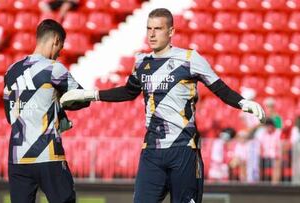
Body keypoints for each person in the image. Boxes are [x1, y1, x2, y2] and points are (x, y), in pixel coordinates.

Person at [60, 8, 265, 203]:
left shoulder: (189, 59)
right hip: (152, 151)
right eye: (149, 28)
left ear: (171, 31)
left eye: (157, 28)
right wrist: (90, 94)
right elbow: (128, 91)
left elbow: (219, 88)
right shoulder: (141, 62)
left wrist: (242, 102)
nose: (152, 34)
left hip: (183, 149)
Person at [3, 19, 89, 203]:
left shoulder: (11, 71)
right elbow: (82, 98)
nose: (59, 53)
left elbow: (8, 114)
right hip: (47, 154)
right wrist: (60, 104)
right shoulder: (53, 69)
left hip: (18, 159)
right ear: (56, 40)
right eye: (61, 47)